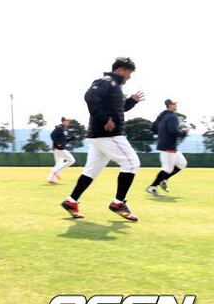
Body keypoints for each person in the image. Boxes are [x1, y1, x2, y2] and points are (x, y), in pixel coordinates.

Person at [60, 57, 145, 221]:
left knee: (91, 170)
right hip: (108, 134)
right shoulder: (106, 81)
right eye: (129, 73)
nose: (130, 77)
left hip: (100, 136)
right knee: (132, 163)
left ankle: (71, 201)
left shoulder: (115, 86)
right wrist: (105, 119)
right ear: (120, 70)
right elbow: (90, 96)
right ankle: (118, 203)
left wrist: (131, 102)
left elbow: (118, 109)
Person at [146, 99, 188, 197]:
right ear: (169, 105)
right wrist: (183, 133)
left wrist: (162, 133)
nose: (176, 105)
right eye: (174, 104)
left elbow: (153, 128)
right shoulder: (172, 116)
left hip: (167, 145)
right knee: (167, 169)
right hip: (168, 146)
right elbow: (173, 131)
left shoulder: (162, 116)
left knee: (182, 163)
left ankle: (163, 180)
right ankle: (152, 187)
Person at [47, 117, 76, 184]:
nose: (68, 122)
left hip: (57, 148)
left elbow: (64, 140)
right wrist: (57, 143)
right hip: (60, 149)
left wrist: (70, 139)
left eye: (68, 121)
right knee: (72, 160)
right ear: (63, 121)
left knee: (58, 164)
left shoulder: (63, 129)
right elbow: (52, 135)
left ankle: (51, 179)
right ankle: (56, 171)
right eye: (67, 121)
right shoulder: (60, 128)